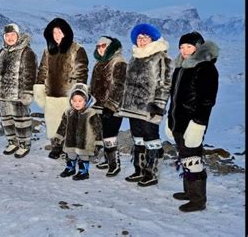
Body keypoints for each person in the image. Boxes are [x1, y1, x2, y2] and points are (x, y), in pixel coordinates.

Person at [166, 32, 219, 212]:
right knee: (185, 157)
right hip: (178, 122)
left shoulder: (205, 68)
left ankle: (198, 200)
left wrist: (198, 124)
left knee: (193, 160)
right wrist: (169, 120)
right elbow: (173, 98)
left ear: (198, 47)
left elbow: (207, 101)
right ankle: (189, 192)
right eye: (181, 47)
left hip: (192, 123)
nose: (184, 50)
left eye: (188, 46)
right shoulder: (180, 68)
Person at [117, 24, 172, 187]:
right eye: (139, 38)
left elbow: (165, 84)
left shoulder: (161, 57)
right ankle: (139, 170)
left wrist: (158, 106)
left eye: (145, 38)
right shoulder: (135, 57)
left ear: (152, 39)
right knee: (138, 139)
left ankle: (152, 173)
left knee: (151, 138)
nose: (141, 41)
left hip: (149, 108)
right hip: (133, 107)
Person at [34, 17, 89, 159]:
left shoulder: (77, 49)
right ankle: (56, 147)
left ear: (66, 33)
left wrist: (79, 93)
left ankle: (68, 148)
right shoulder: (48, 51)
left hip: (68, 95)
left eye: (59, 32)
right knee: (53, 123)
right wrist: (39, 87)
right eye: (54, 33)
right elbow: (42, 70)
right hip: (51, 94)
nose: (57, 35)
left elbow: (82, 73)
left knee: (69, 124)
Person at [0, 23, 38, 158]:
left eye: (12, 35)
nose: (10, 38)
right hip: (4, 94)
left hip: (18, 94)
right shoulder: (1, 53)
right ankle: (12, 141)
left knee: (21, 120)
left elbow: (30, 74)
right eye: (7, 35)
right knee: (7, 120)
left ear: (18, 35)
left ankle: (24, 144)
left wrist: (28, 92)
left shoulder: (26, 52)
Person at [89, 36, 127, 177]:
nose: (100, 48)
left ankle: (114, 164)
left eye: (103, 45)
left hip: (113, 107)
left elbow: (119, 86)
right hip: (99, 105)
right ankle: (107, 159)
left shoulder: (119, 62)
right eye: (98, 46)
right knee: (104, 132)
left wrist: (111, 105)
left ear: (111, 46)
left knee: (110, 135)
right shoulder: (99, 63)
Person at [55, 83, 102, 180]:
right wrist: (59, 137)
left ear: (86, 101)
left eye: (80, 101)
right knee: (70, 154)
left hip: (85, 142)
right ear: (71, 101)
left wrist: (98, 142)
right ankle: (70, 168)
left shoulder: (91, 113)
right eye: (74, 100)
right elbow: (62, 126)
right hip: (70, 140)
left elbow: (97, 129)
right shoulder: (68, 113)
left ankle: (83, 171)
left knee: (83, 156)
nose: (77, 103)